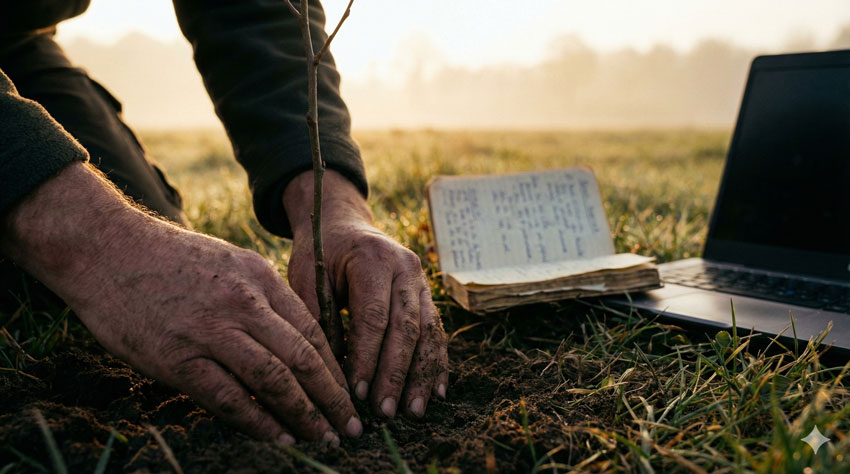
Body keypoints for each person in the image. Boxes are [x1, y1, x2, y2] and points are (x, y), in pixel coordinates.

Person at [0, 0, 448, 446]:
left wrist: (333, 203)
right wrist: (99, 243)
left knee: (149, 246)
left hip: (15, 42)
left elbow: (257, 11)